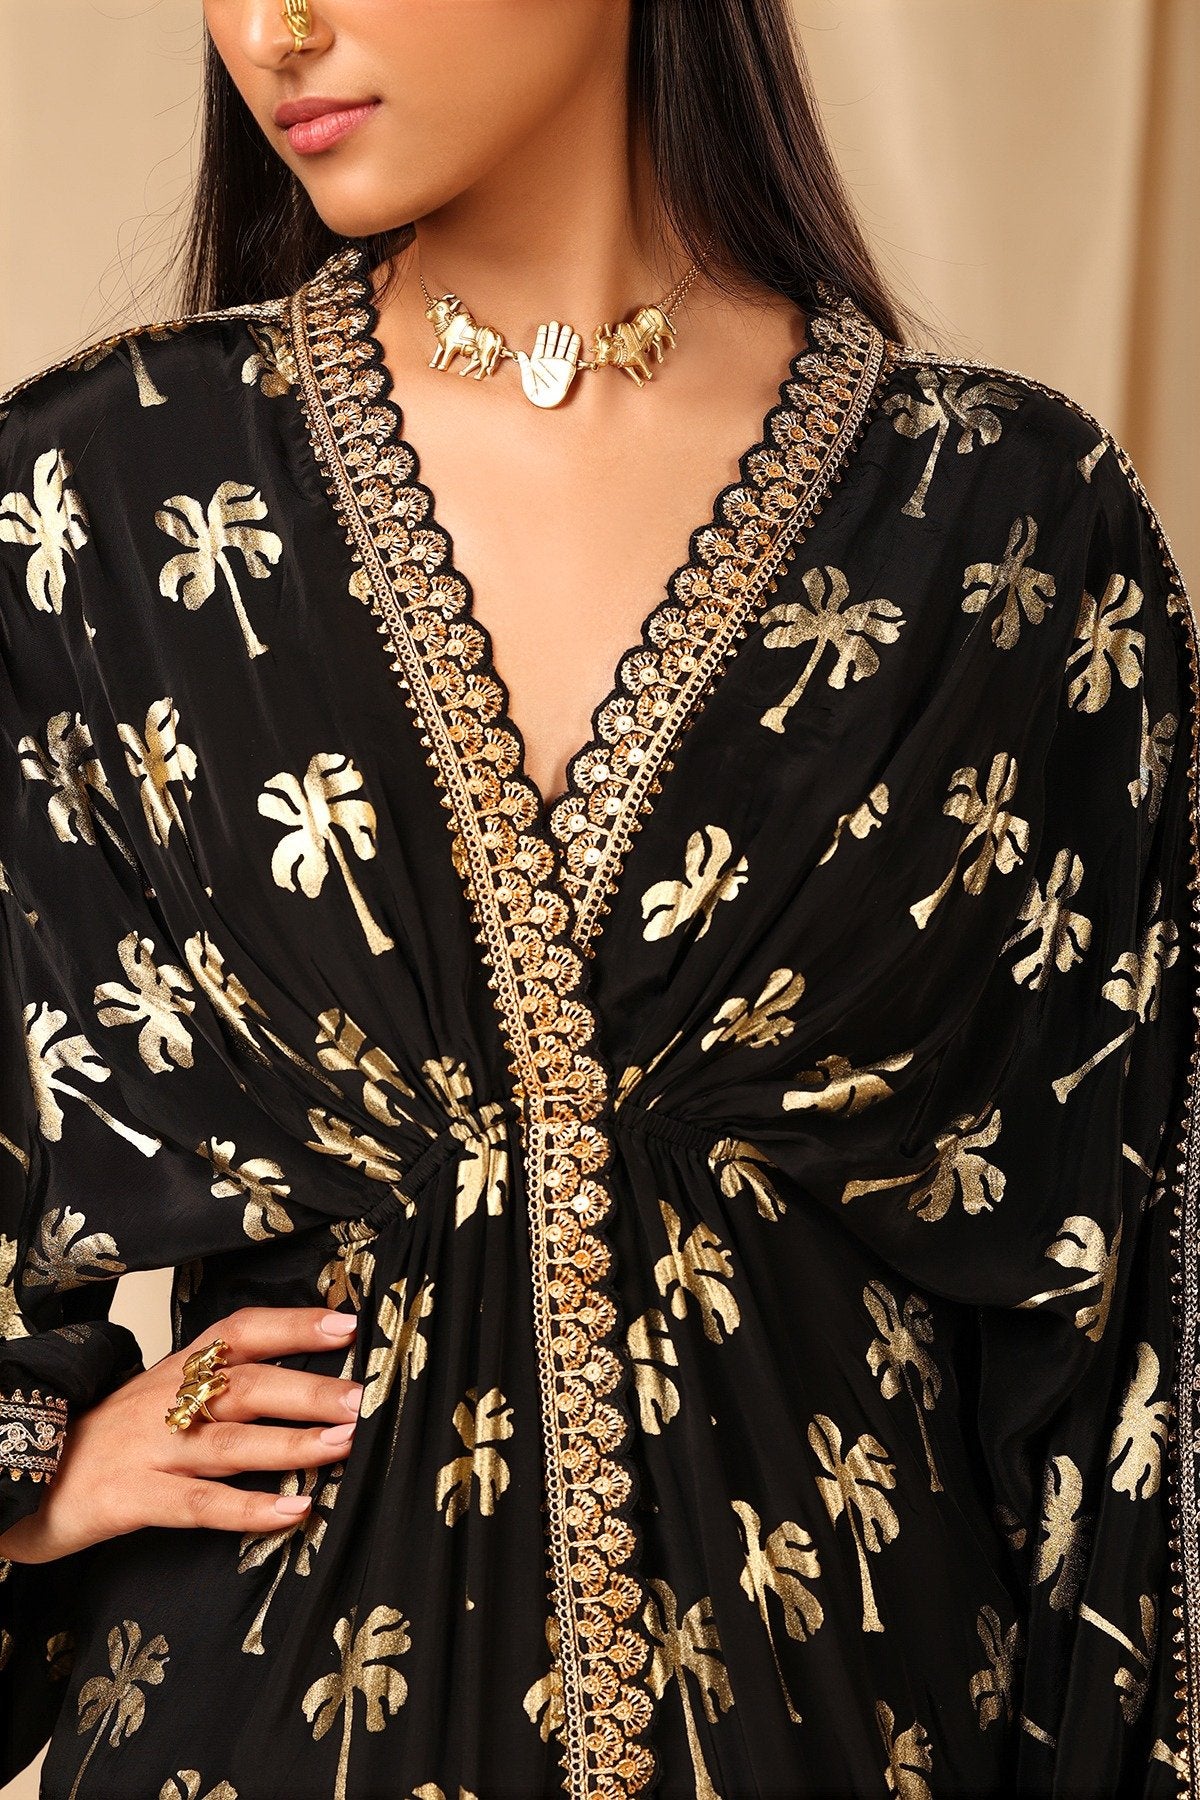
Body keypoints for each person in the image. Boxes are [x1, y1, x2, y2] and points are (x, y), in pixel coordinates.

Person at [0, 1, 1196, 1795]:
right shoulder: (103, 502)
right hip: (263, 1717)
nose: (275, 31)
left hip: (850, 1719)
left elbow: (1118, 1298)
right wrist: (36, 1466)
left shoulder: (1004, 524)